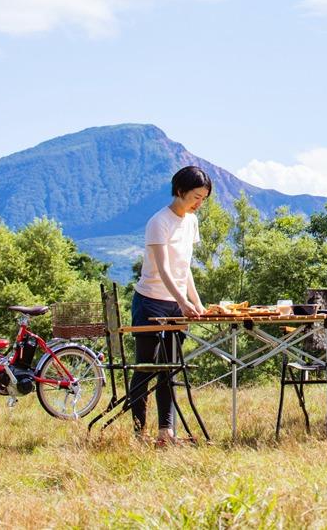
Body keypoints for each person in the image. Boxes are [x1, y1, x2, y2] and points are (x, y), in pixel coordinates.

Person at [129, 165, 209, 446]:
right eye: (196, 196)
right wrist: (182, 301)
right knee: (146, 368)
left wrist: (196, 303)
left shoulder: (191, 222)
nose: (199, 203)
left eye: (203, 198)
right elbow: (162, 268)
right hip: (150, 302)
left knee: (170, 368)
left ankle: (166, 433)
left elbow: (183, 267)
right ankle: (139, 433)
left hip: (176, 304)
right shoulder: (158, 221)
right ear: (180, 191)